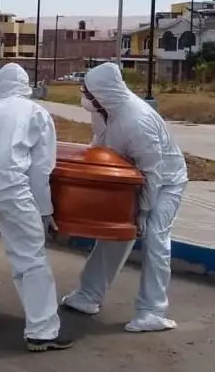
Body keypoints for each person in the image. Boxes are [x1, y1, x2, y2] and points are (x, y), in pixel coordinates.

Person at [60, 62, 188, 333]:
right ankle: (88, 295)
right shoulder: (103, 111)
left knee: (155, 237)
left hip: (165, 182)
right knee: (114, 233)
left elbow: (153, 172)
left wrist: (143, 212)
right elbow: (99, 143)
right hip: (130, 179)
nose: (85, 98)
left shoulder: (137, 120)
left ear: (104, 93)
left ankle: (152, 311)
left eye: (89, 92)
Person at [0, 63, 72, 352]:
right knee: (29, 258)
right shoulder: (35, 113)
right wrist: (45, 210)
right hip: (9, 187)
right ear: (25, 85)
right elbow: (41, 169)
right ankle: (41, 332)